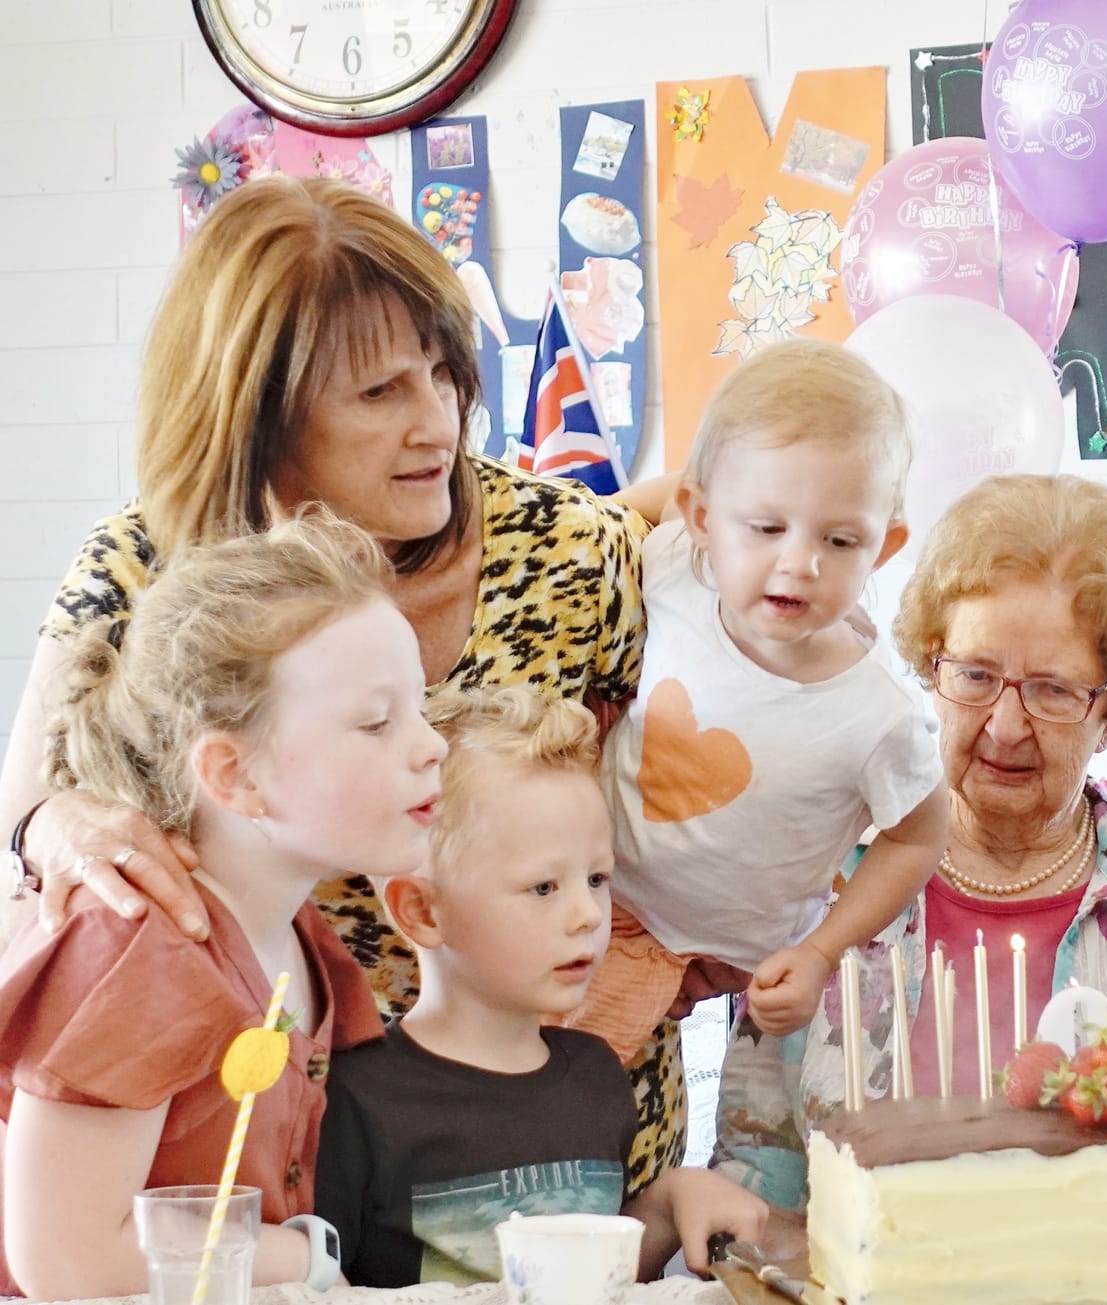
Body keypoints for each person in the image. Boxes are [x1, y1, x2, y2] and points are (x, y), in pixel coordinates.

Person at [0, 175, 689, 1191]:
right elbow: (34, 811)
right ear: (259, 414)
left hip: (566, 1126)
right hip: (285, 1149)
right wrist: (62, 833)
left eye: (445, 374)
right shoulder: (145, 570)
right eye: (379, 393)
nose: (439, 424)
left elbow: (683, 773)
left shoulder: (568, 551)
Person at [711, 474, 1107, 1238]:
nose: (1003, 725)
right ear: (932, 668)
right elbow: (750, 1199)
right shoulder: (817, 896)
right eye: (974, 675)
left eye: (1053, 690)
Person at [0, 517, 438, 1298]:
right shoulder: (138, 947)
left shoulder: (298, 937)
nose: (431, 744)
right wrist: (306, 1256)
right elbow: (66, 1261)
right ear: (234, 775)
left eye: (421, 707)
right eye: (377, 721)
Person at [579, 338, 947, 1075]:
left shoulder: (882, 715)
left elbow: (918, 836)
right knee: (567, 1075)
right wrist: (596, 517)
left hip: (749, 957)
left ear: (885, 547)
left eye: (841, 539)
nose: (800, 561)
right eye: (768, 527)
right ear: (704, 517)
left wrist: (819, 950)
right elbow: (649, 507)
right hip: (605, 909)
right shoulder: (677, 567)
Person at [316, 687, 766, 1288]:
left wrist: (667, 1202)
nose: (589, 915)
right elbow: (314, 1285)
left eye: (597, 878)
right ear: (423, 910)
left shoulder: (597, 1076)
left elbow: (598, 1277)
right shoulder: (354, 1095)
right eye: (544, 888)